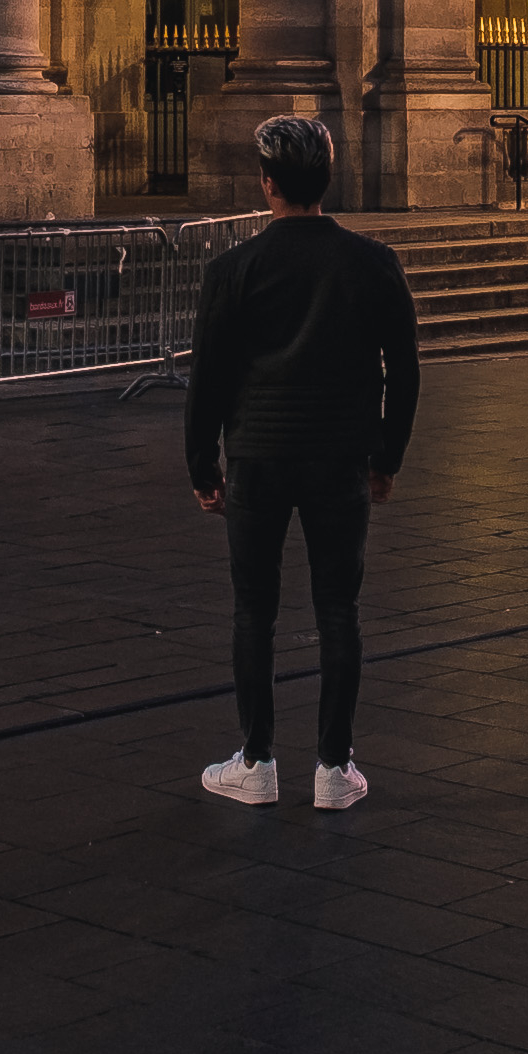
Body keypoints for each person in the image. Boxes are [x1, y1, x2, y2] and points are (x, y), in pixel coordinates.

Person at [184, 112, 420, 814]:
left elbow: (208, 380)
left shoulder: (233, 270)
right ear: (327, 178)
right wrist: (387, 455)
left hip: (257, 454)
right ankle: (333, 767)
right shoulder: (372, 263)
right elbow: (405, 371)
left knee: (254, 609)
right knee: (338, 608)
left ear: (267, 183)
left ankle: (256, 761)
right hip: (339, 456)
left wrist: (203, 468)